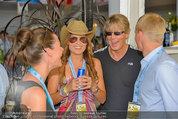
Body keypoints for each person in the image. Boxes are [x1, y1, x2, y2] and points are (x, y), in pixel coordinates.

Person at [47, 20, 106, 117]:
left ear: (87, 42)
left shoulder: (95, 63)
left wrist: (93, 86)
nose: (78, 43)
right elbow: (49, 101)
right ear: (67, 42)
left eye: (82, 39)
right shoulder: (58, 65)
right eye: (73, 39)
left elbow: (103, 99)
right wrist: (67, 89)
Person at [5, 27, 63, 117]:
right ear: (49, 51)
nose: (62, 50)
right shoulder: (36, 94)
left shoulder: (29, 81)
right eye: (59, 46)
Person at [94, 14, 143, 115]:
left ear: (127, 34)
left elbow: (143, 94)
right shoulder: (97, 57)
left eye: (117, 33)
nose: (112, 37)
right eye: (109, 33)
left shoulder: (139, 56)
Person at [134, 13, 178, 111]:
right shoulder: (147, 63)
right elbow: (139, 100)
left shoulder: (164, 67)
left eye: (135, 33)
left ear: (140, 35)